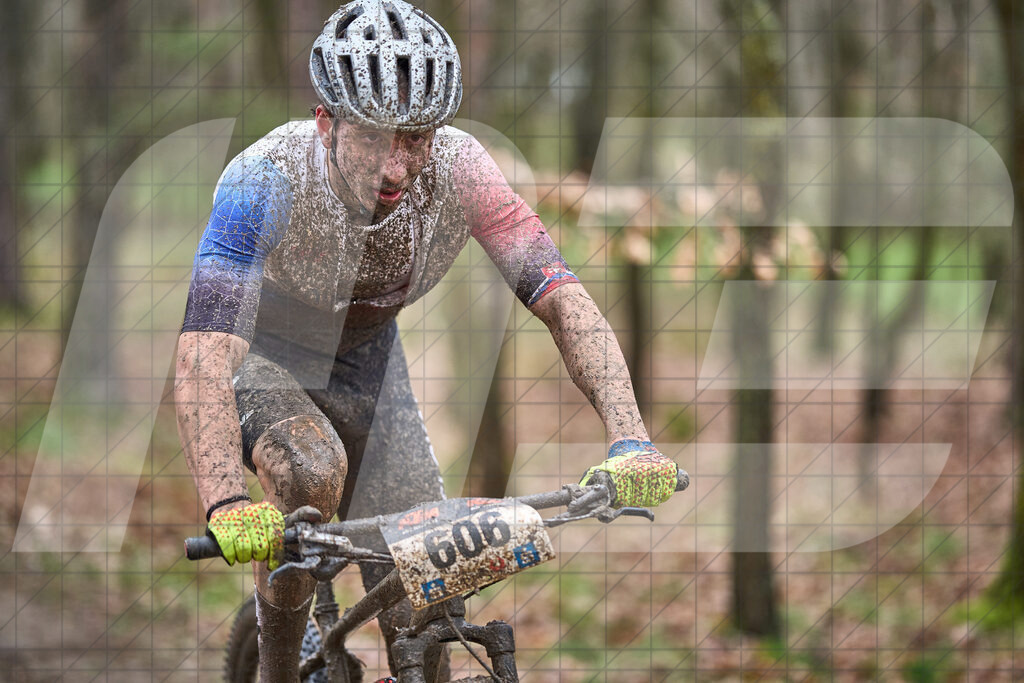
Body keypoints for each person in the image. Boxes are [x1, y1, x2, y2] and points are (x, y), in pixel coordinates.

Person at [173, 1, 679, 680]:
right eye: (377, 137)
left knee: (429, 587)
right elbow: (206, 346)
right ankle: (275, 669)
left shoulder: (462, 172)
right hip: (263, 359)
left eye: (417, 138)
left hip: (369, 368)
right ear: (327, 120)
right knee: (310, 469)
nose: (398, 165)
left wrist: (631, 436)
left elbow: (564, 299)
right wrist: (226, 500)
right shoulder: (263, 181)